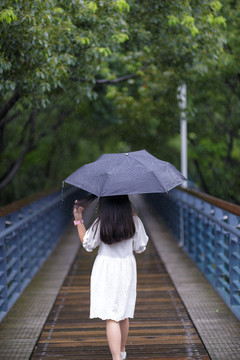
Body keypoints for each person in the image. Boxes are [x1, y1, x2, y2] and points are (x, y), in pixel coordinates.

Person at [73, 195, 149, 360]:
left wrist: (78, 220)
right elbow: (140, 247)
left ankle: (116, 358)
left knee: (111, 315)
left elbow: (88, 244)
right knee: (124, 312)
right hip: (127, 268)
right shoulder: (134, 221)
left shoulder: (100, 222)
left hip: (105, 268)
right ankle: (121, 352)